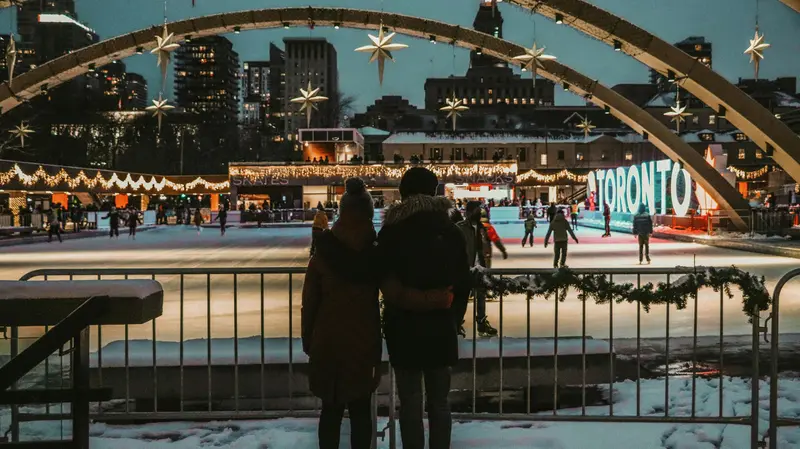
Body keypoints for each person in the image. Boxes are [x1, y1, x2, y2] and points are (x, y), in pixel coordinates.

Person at [377, 167, 471, 449]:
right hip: (441, 326)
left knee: (410, 402)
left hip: (403, 326)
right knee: (439, 402)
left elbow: (382, 275)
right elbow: (462, 282)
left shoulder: (392, 231)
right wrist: (452, 318)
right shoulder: (450, 232)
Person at [456, 201, 502, 337]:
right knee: (462, 298)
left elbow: (492, 240)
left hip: (480, 268)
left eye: (480, 210)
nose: (479, 213)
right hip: (465, 269)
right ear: (469, 212)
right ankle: (457, 324)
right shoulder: (459, 228)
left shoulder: (484, 228)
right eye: (477, 210)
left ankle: (481, 324)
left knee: (481, 297)